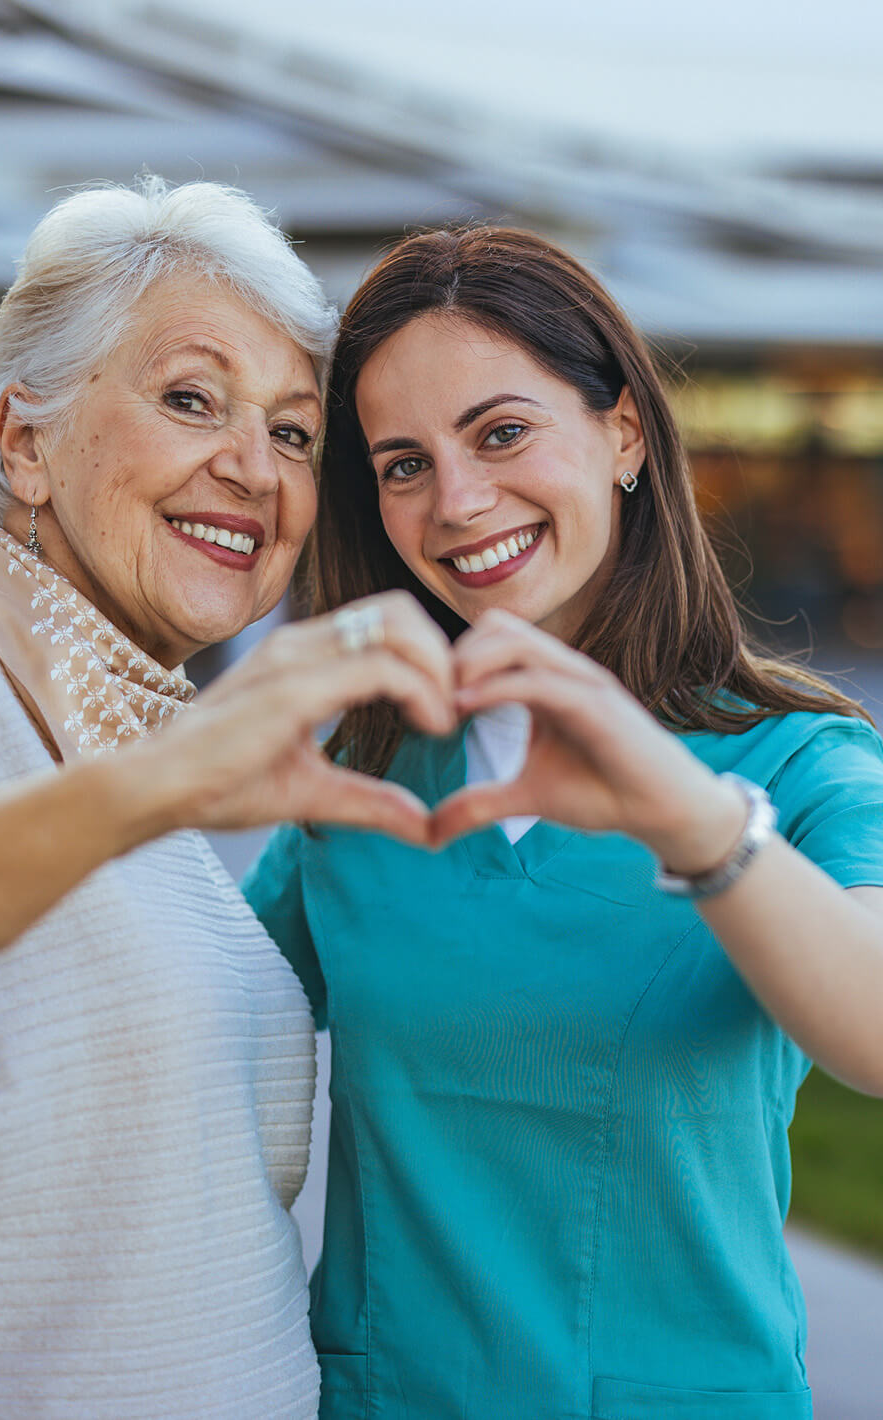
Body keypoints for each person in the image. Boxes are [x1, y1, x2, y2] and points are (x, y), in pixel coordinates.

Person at [0, 178, 459, 1420]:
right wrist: (146, 785)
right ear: (25, 442)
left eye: (293, 433)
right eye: (192, 399)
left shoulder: (109, 745)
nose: (253, 468)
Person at [244, 226, 883, 1420]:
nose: (457, 501)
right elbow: (169, 1019)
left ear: (624, 434)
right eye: (401, 464)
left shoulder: (802, 761)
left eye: (499, 432)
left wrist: (690, 822)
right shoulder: (358, 765)